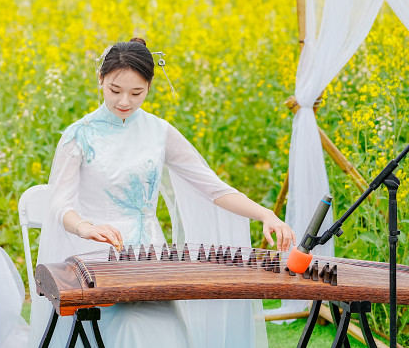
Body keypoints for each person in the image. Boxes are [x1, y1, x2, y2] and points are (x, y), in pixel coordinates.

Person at [29, 38, 296, 348]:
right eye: (115, 90)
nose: (125, 101)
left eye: (136, 92)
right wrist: (86, 227)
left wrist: (265, 214)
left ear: (149, 87)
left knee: (163, 328)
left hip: (148, 258)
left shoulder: (159, 131)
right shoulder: (79, 135)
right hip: (94, 257)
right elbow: (60, 203)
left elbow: (212, 187)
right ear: (100, 79)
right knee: (132, 327)